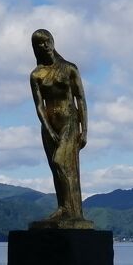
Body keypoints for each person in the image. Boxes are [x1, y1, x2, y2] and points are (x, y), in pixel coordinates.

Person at [30, 29, 91, 227]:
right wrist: (47, 128)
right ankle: (65, 208)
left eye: (47, 41)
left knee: (60, 162)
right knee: (56, 169)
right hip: (49, 125)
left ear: (53, 41)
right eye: (39, 43)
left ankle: (70, 209)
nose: (44, 45)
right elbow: (39, 106)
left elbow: (80, 99)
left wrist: (85, 129)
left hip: (69, 122)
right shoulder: (36, 75)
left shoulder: (69, 69)